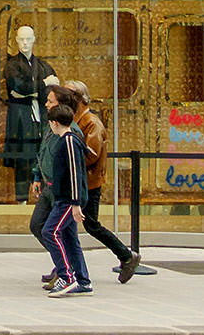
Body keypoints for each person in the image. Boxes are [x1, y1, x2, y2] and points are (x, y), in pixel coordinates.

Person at [62, 81, 140, 283]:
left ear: (78, 99)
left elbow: (92, 154)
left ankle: (126, 255)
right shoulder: (77, 120)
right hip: (80, 182)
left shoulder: (91, 123)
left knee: (90, 225)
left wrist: (68, 158)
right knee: (75, 226)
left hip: (89, 183)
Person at [35, 98, 92, 294]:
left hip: (68, 199)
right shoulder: (70, 140)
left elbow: (75, 173)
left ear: (54, 123)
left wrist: (75, 203)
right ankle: (83, 280)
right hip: (67, 198)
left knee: (49, 232)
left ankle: (67, 276)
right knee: (69, 237)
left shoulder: (68, 141)